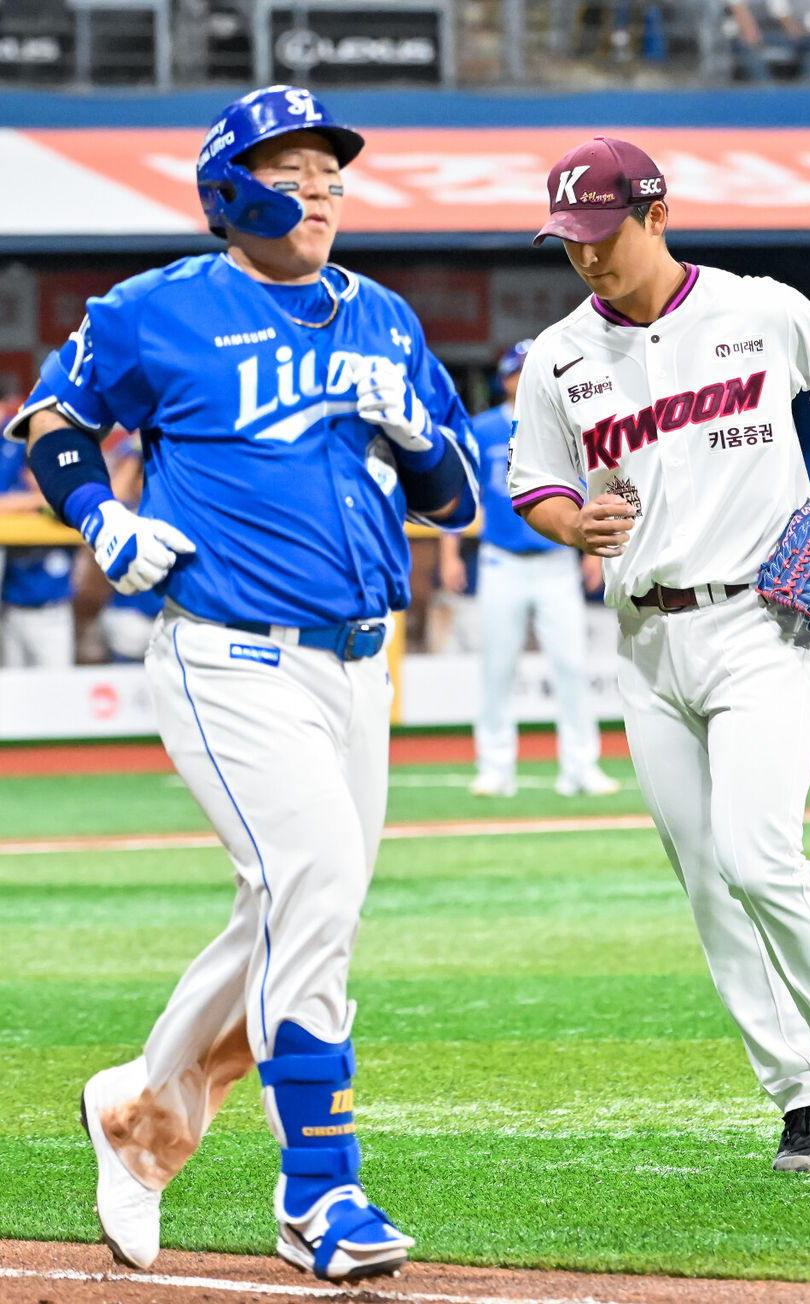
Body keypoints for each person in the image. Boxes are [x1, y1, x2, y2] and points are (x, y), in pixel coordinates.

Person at [4, 85, 478, 1283]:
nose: (319, 187)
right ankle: (322, 1192)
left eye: (330, 170)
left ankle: (139, 1109)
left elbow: (456, 499)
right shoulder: (155, 311)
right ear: (230, 189)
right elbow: (50, 417)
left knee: (297, 910)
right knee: (312, 889)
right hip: (226, 651)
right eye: (292, 167)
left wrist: (416, 437)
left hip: (357, 661)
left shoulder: (383, 319)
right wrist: (98, 511)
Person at [508, 135, 810, 1173]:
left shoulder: (757, 307)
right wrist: (567, 524)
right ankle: (795, 1095)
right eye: (569, 240)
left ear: (656, 215)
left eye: (601, 234)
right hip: (644, 641)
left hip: (758, 624)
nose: (586, 256)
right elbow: (534, 481)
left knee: (757, 851)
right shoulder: (556, 357)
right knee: (705, 881)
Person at [438, 340, 619, 798]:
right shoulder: (481, 429)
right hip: (502, 561)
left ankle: (581, 767)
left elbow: (590, 486)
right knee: (497, 669)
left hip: (556, 560)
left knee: (572, 666)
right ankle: (495, 767)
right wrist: (448, 552)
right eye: (520, 372)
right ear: (507, 379)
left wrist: (591, 552)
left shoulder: (563, 424)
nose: (527, 378)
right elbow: (458, 494)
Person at [0, 437, 76, 668]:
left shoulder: (67, 499)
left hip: (53, 613)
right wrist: (33, 503)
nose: (40, 480)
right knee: (13, 689)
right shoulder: (16, 501)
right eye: (34, 473)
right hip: (13, 611)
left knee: (57, 689)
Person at [726, 0, 810, 80]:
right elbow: (743, 19)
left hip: (777, 36)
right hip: (741, 38)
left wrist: (798, 32)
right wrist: (751, 33)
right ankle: (765, 91)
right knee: (747, 46)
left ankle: (807, 85)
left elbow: (782, 15)